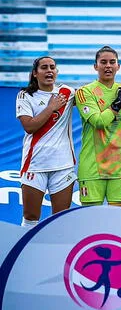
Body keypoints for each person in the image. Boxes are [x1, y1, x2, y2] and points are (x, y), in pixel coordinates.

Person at [75, 46, 121, 207]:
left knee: (118, 222)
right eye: (103, 62)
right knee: (92, 221)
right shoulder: (85, 92)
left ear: (118, 66)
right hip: (93, 168)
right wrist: (118, 103)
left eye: (112, 62)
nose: (108, 66)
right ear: (95, 66)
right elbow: (99, 122)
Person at [16, 56, 76, 228]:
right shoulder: (25, 95)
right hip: (35, 164)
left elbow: (93, 98)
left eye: (52, 67)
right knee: (30, 217)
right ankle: (26, 253)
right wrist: (51, 107)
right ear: (35, 73)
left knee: (60, 220)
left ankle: (56, 254)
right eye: (44, 67)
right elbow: (29, 126)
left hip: (63, 165)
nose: (49, 70)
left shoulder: (67, 92)